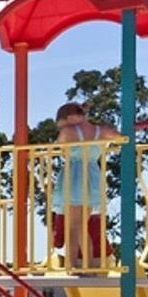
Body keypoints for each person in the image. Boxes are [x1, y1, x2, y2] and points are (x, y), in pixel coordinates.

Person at [50, 102, 118, 271]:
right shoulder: (101, 131)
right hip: (93, 175)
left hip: (74, 176)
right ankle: (87, 265)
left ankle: (72, 266)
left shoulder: (68, 132)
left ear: (71, 118)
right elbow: (121, 136)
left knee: (73, 226)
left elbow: (60, 144)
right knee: (82, 225)